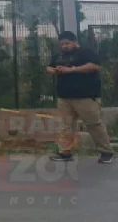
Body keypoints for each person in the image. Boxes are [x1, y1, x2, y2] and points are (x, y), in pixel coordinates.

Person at [48, 31, 114, 164]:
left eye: (67, 43)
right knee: (65, 125)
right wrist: (55, 71)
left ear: (74, 42)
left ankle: (107, 152)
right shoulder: (59, 55)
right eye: (62, 44)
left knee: (94, 124)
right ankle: (65, 152)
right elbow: (49, 67)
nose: (65, 46)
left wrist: (71, 70)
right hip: (64, 96)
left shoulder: (85, 52)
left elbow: (95, 66)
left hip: (86, 96)